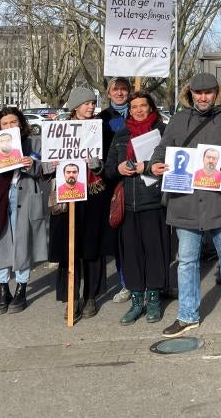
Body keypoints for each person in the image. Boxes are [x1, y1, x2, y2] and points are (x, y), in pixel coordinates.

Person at [150, 72, 221, 337]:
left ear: (216, 93)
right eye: (198, 93)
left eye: (208, 92)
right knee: (187, 261)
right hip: (184, 202)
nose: (203, 97)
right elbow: (162, 150)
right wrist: (155, 165)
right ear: (190, 94)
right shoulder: (178, 120)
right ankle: (187, 316)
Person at [47, 86, 116, 322]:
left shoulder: (101, 129)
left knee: (92, 249)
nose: (91, 106)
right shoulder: (59, 129)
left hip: (94, 194)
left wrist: (97, 164)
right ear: (76, 105)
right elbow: (46, 164)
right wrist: (52, 165)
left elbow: (110, 164)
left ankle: (91, 297)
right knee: (69, 249)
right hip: (67, 195)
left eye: (93, 103)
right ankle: (70, 297)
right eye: (86, 103)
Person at [0, 107, 48, 315]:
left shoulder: (34, 143)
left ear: (21, 124)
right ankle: (2, 290)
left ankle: (21, 289)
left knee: (23, 243)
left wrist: (33, 164)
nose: (9, 126)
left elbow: (48, 169)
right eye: (5, 124)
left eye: (13, 122)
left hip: (25, 197)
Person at [104, 91, 169, 325]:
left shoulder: (162, 132)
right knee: (131, 253)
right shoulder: (121, 134)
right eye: (134, 107)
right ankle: (136, 300)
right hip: (128, 205)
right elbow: (108, 168)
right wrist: (119, 168)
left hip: (154, 201)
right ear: (129, 110)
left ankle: (153, 298)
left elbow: (170, 163)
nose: (139, 110)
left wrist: (147, 167)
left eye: (143, 105)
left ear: (151, 108)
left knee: (155, 251)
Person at [97, 76, 133, 303]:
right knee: (119, 236)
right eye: (115, 90)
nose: (120, 93)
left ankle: (149, 282)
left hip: (141, 181)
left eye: (123, 89)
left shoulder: (140, 111)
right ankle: (126, 283)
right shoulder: (101, 119)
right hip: (113, 183)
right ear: (109, 93)